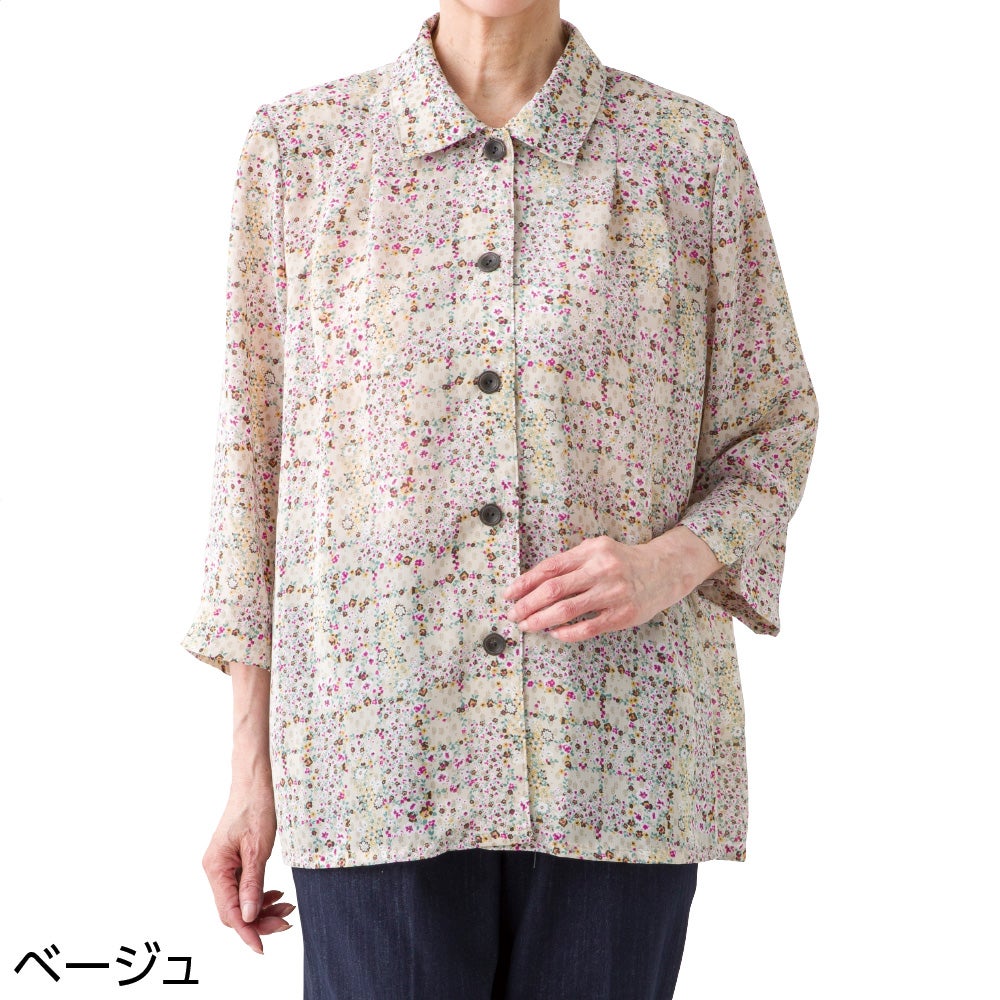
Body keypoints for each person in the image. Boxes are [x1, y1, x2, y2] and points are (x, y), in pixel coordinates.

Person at [179, 1, 819, 997]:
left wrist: (668, 563)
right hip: (375, 755)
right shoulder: (302, 150)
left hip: (617, 754)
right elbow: (252, 464)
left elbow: (771, 428)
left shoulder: (686, 156)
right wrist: (247, 774)